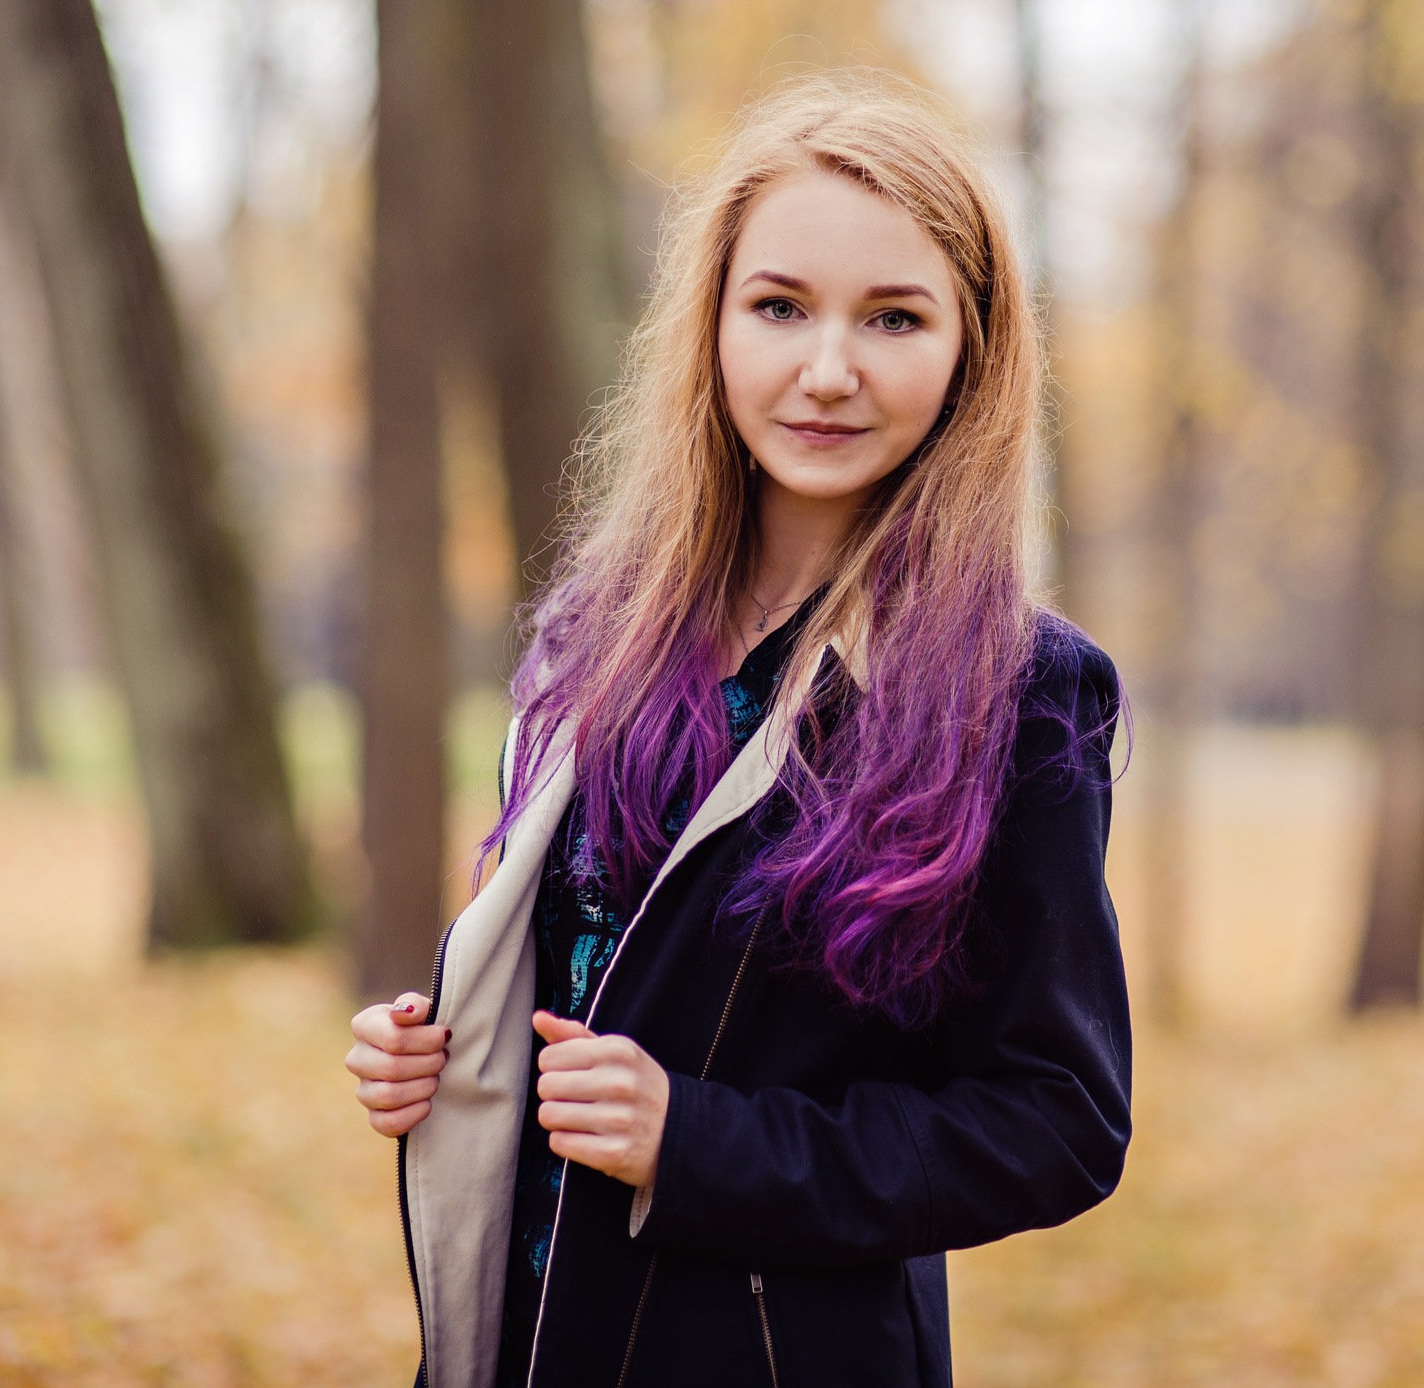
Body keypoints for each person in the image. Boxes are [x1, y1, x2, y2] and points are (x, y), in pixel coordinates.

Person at [344, 73, 1130, 1388]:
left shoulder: (1021, 688)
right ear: (711, 325)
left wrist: (700, 1143)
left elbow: (1058, 1117)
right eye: (779, 307)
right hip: (522, 1335)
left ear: (971, 349)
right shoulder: (594, 630)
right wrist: (434, 1046)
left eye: (893, 316)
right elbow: (596, 960)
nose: (828, 369)